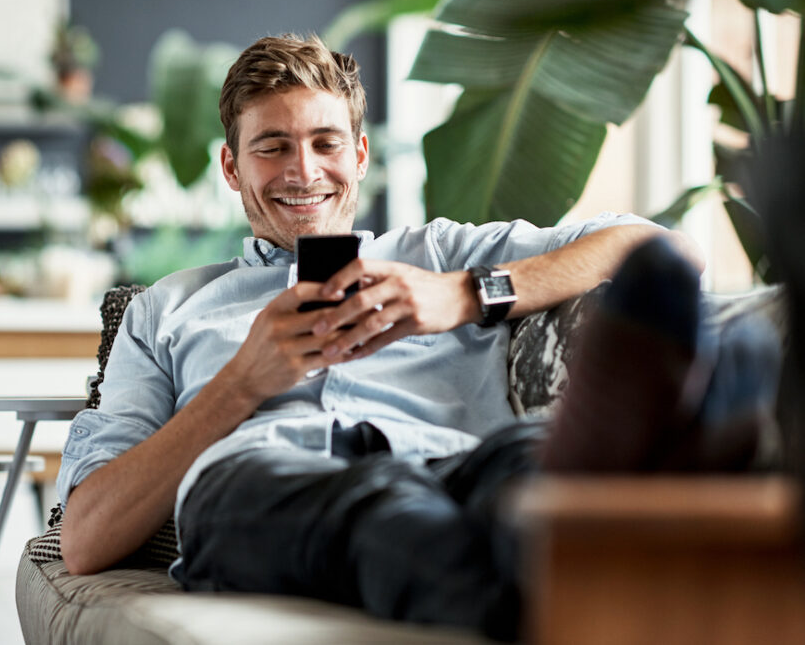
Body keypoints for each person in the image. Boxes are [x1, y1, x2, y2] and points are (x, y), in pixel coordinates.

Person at [55, 34, 771, 640]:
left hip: (457, 460)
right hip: (259, 481)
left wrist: (464, 293)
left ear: (360, 155)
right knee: (388, 520)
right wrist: (240, 383)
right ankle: (619, 492)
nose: (304, 172)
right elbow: (86, 538)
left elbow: (659, 249)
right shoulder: (167, 308)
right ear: (232, 167)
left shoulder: (444, 251)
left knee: (519, 465)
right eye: (273, 147)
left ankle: (586, 478)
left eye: (325, 143)